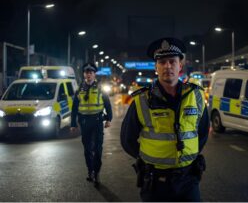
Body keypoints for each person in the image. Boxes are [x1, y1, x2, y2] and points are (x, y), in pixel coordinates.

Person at [121, 37, 209, 201]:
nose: (167, 66)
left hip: (188, 179)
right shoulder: (141, 100)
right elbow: (127, 140)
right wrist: (147, 158)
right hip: (155, 182)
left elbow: (202, 132)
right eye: (162, 62)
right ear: (156, 67)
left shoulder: (196, 95)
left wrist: (188, 154)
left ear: (180, 66)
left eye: (172, 61)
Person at [70, 63, 112, 187]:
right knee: (87, 149)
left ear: (94, 74)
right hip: (84, 122)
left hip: (98, 121)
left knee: (98, 149)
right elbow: (74, 108)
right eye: (86, 72)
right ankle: (90, 171)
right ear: (84, 74)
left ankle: (97, 172)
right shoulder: (79, 89)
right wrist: (73, 124)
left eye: (91, 73)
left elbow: (107, 104)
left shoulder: (100, 88)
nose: (88, 75)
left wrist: (109, 119)